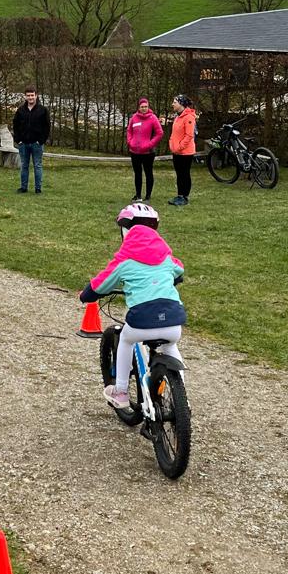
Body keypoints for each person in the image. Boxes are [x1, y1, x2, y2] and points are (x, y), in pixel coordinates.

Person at [79, 202, 185, 411]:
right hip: (173, 320)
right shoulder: (165, 257)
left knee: (126, 340)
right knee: (170, 345)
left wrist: (87, 295)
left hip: (142, 321)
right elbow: (179, 270)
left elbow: (100, 284)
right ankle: (182, 399)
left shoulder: (124, 261)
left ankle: (120, 391)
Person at [13, 85, 51, 194]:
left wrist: (41, 141)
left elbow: (47, 127)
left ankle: (38, 189)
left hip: (37, 144)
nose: (30, 97)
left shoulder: (43, 110)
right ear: (25, 97)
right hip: (23, 144)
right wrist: (18, 140)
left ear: (36, 96)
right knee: (24, 166)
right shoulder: (20, 110)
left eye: (32, 95)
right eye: (28, 95)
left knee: (37, 166)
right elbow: (15, 125)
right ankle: (23, 187)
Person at [126, 96, 163, 201]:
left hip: (148, 152)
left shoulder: (153, 118)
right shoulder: (134, 117)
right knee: (137, 174)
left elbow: (159, 133)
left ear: (148, 107)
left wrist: (150, 144)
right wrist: (130, 142)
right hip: (135, 151)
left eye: (146, 106)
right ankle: (138, 195)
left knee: (148, 173)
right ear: (139, 107)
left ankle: (148, 195)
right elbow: (129, 131)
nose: (144, 108)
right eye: (142, 107)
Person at [168, 94, 198, 206]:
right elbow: (174, 133)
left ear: (181, 104)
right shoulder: (177, 117)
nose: (172, 104)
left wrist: (179, 147)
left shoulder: (189, 117)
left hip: (185, 152)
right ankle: (179, 195)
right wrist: (172, 144)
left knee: (184, 174)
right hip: (176, 151)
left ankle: (184, 196)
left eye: (175, 102)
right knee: (179, 174)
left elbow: (189, 135)